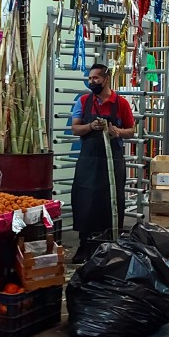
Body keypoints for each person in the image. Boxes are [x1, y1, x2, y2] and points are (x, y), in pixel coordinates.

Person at [70, 64, 135, 264]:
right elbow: (75, 129)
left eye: (95, 78)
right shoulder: (83, 101)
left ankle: (109, 246)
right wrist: (90, 126)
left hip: (113, 161)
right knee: (85, 200)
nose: (91, 82)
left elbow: (131, 130)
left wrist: (117, 132)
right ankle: (84, 245)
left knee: (111, 202)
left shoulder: (121, 103)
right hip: (88, 162)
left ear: (106, 79)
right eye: (90, 79)